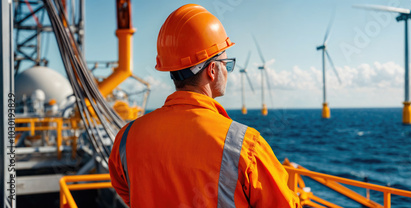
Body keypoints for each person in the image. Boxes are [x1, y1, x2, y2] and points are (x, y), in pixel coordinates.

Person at [108, 4, 301, 208]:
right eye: (226, 64)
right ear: (212, 70)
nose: (227, 72)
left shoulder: (127, 137)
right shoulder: (243, 145)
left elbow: (125, 191)